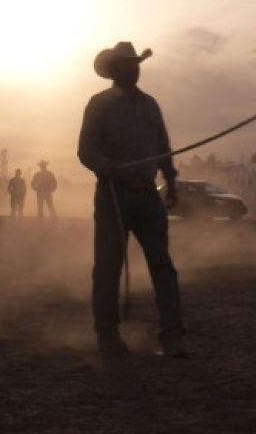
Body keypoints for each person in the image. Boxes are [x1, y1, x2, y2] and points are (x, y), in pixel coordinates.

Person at [77, 41, 187, 359]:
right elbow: (86, 150)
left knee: (163, 266)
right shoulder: (98, 104)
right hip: (113, 195)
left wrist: (171, 180)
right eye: (129, 64)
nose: (135, 68)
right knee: (108, 268)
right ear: (115, 69)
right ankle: (108, 336)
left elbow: (163, 147)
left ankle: (173, 335)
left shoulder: (151, 105)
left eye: (137, 63)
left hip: (148, 197)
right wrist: (107, 167)